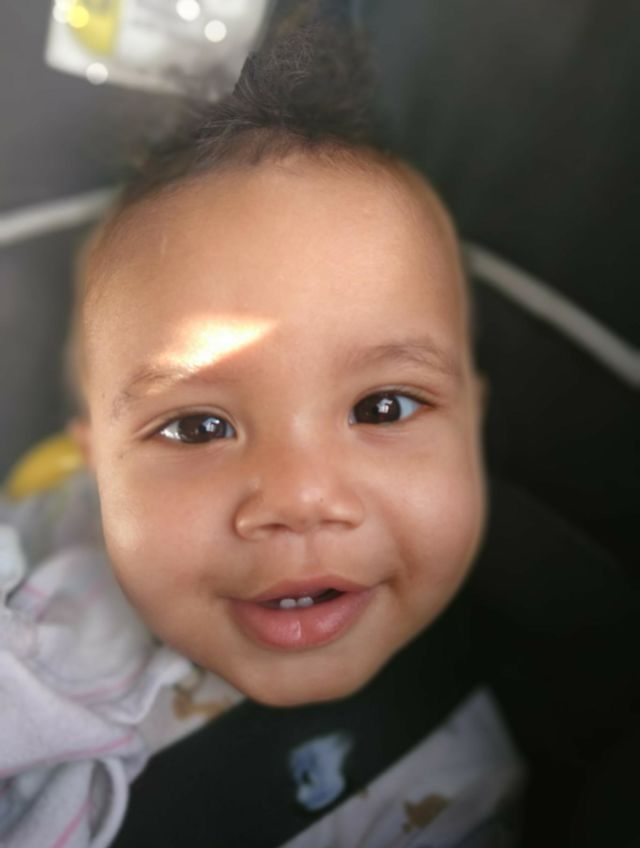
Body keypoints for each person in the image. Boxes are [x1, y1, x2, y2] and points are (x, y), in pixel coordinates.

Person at [0, 20, 635, 848]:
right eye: (197, 426)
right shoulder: (35, 585)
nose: (301, 498)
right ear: (96, 465)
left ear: (472, 422)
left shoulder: (564, 698)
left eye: (383, 409)